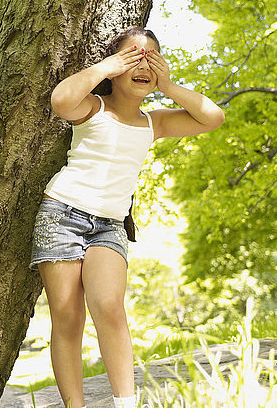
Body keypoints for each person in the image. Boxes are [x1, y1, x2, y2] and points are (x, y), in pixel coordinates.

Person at [30, 27, 225, 408]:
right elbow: (61, 100)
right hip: (62, 216)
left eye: (151, 57)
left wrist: (168, 86)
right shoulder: (94, 107)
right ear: (116, 67)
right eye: (133, 57)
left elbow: (212, 117)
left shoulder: (156, 122)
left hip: (109, 226)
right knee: (68, 317)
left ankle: (126, 403)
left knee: (109, 308)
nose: (143, 64)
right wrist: (106, 66)